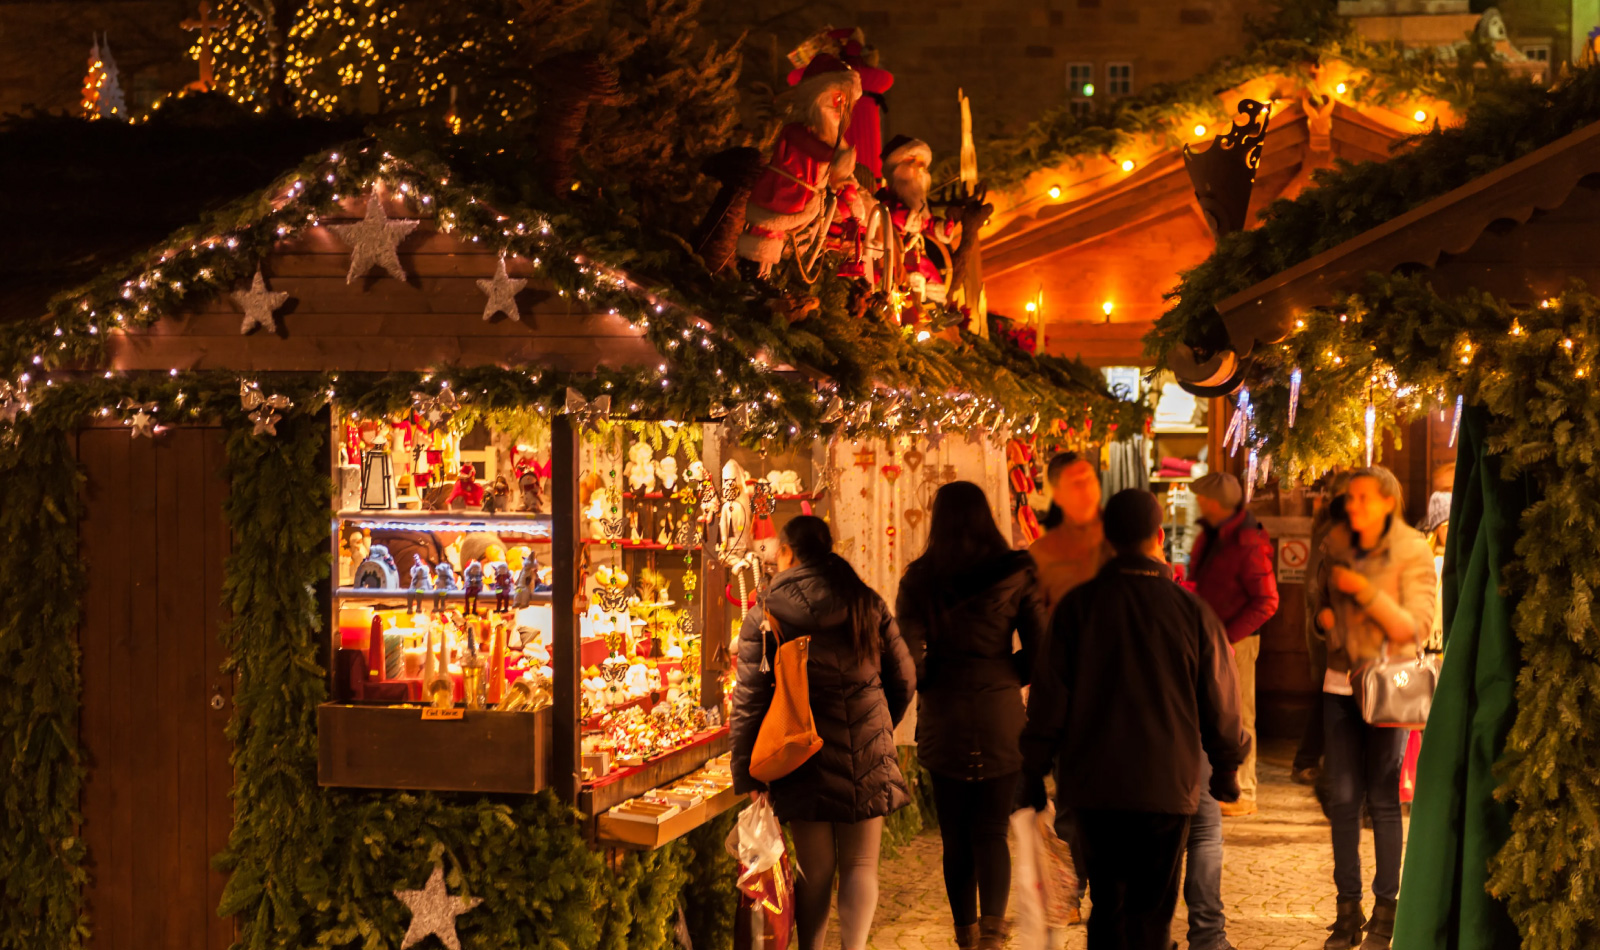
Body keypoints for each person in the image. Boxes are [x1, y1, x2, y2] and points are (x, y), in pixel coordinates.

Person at [1020, 489, 1249, 950]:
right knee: (1152, 913)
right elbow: (1221, 703)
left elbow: (1049, 701)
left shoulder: (1077, 609)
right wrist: (1226, 769)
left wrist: (1034, 767)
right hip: (1167, 787)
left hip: (1095, 787)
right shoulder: (1193, 613)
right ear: (1159, 537)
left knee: (1108, 905)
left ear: (1108, 539)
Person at [729, 515, 916, 950]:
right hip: (869, 747)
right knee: (861, 865)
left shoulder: (768, 611)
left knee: (815, 870)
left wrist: (749, 774)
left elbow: (750, 700)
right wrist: (879, 722)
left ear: (789, 552)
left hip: (800, 751)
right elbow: (905, 675)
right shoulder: (866, 601)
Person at [896, 482, 1050, 950]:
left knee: (956, 835)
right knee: (991, 831)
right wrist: (1005, 673)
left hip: (945, 712)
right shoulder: (1020, 570)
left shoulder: (920, 577)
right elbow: (1044, 652)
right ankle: (992, 939)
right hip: (1001, 712)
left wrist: (932, 678)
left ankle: (966, 938)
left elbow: (907, 656)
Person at [1310, 466, 1436, 950]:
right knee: (1343, 800)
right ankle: (1347, 910)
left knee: (1383, 798)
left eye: (1363, 498)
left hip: (1389, 687)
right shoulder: (1333, 545)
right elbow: (1317, 605)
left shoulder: (1412, 551)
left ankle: (1387, 911)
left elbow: (1419, 625)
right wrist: (1328, 622)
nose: (1353, 506)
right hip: (1340, 684)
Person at [1187, 471, 1279, 817]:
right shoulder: (1213, 536)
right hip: (1212, 638)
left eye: (1202, 497)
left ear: (1215, 503)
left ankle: (1245, 791)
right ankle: (1220, 784)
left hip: (1236, 642)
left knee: (1240, 712)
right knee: (1216, 709)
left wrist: (1227, 637)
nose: (1197, 501)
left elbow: (1267, 600)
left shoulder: (1247, 542)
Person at [1031, 452, 1111, 607]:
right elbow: (1037, 619)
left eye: (1089, 478)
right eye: (1076, 483)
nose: (1086, 487)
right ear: (1058, 496)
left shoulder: (1124, 533)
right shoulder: (1043, 552)